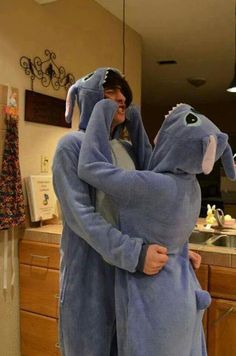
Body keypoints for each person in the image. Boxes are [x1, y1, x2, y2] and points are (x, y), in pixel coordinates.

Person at [78, 99, 236, 356]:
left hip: (152, 302)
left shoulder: (150, 187)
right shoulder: (192, 187)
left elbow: (89, 167)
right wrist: (135, 120)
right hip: (184, 294)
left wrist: (101, 110)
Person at [52, 67, 169, 356]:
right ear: (92, 99)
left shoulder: (127, 149)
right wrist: (135, 254)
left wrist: (174, 250)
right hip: (89, 279)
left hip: (129, 281)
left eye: (123, 93)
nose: (121, 99)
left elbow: (157, 193)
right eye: (110, 93)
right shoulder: (72, 147)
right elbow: (82, 219)